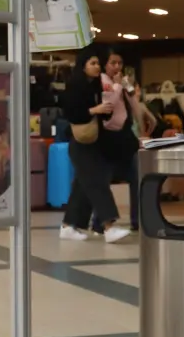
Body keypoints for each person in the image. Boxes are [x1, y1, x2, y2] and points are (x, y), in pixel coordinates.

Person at [60, 46, 129, 243]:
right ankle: (109, 226)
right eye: (92, 63)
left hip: (94, 140)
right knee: (97, 181)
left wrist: (107, 104)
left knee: (83, 185)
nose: (97, 67)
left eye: (98, 63)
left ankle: (68, 226)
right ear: (82, 66)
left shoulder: (97, 87)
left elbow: (105, 114)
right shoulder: (74, 87)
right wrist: (94, 110)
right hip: (80, 142)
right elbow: (72, 114)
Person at [99, 49, 153, 230]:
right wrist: (117, 86)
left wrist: (143, 122)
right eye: (112, 63)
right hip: (107, 136)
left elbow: (133, 102)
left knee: (136, 176)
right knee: (102, 180)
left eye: (119, 63)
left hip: (125, 135)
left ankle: (137, 220)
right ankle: (100, 222)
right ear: (104, 64)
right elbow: (110, 103)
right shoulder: (103, 81)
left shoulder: (122, 82)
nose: (116, 67)